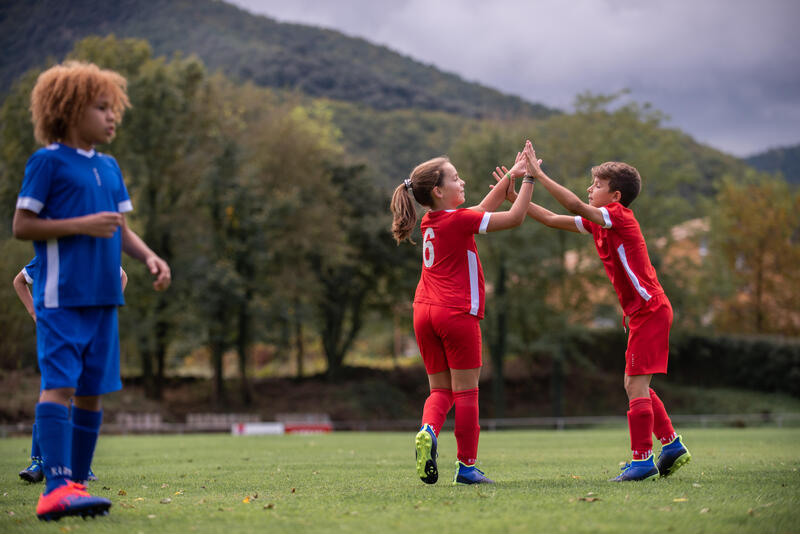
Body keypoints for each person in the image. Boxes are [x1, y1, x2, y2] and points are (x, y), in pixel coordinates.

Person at [12, 60, 171, 520]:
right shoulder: (46, 162)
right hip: (61, 298)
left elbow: (120, 227)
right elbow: (23, 225)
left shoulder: (110, 165)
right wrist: (81, 224)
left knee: (92, 393)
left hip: (105, 300)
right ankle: (55, 487)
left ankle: (76, 486)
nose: (112, 116)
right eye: (102, 108)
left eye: (113, 108)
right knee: (59, 386)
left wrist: (149, 257)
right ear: (68, 110)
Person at [498, 141, 690, 481]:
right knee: (637, 384)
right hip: (643, 313)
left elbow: (571, 202)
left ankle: (643, 460)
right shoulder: (600, 222)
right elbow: (554, 218)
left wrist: (539, 174)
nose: (589, 189)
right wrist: (515, 199)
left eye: (597, 185)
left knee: (634, 385)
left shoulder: (617, 217)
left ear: (615, 196)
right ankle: (670, 445)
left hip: (650, 310)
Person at [390, 147, 537, 485]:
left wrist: (512, 174)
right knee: (467, 393)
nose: (463, 181)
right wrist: (530, 178)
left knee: (440, 392)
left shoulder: (432, 219)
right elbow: (514, 217)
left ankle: (428, 430)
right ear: (438, 191)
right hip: (456, 313)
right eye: (456, 178)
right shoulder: (459, 220)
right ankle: (467, 469)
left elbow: (479, 211)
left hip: (424, 312)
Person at [15, 257, 127, 484]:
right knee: (51, 391)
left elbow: (122, 276)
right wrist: (34, 313)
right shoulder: (51, 252)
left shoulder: (95, 252)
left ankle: (79, 465)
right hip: (56, 333)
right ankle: (38, 462)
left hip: (87, 332)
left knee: (81, 394)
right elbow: (19, 281)